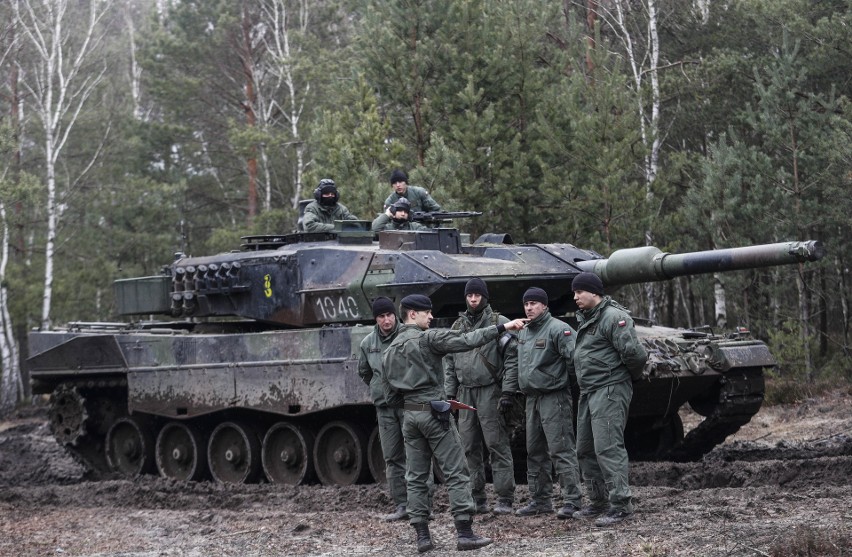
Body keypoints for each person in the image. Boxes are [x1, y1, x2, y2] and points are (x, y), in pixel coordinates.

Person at [382, 294, 527, 553]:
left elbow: (388, 392)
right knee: (457, 471)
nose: (431, 317)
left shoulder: (390, 348)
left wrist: (409, 406)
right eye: (426, 312)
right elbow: (467, 340)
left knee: (415, 476)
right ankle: (464, 533)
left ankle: (423, 537)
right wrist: (503, 326)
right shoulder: (429, 338)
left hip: (410, 416)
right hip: (434, 414)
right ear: (412, 314)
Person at [568, 272, 648, 527]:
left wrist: (625, 378)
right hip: (589, 390)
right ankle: (599, 501)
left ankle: (621, 504)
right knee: (585, 448)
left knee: (608, 447)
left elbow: (635, 355)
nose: (575, 296)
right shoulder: (587, 319)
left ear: (595, 292)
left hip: (609, 389)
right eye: (574, 292)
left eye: (580, 291)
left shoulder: (614, 317)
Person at [503, 287, 582, 519]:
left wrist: (563, 383)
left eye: (534, 303)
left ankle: (572, 500)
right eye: (526, 304)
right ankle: (540, 500)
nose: (529, 308)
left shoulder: (558, 329)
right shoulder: (524, 332)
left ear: (545, 306)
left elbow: (575, 360)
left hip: (554, 397)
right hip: (532, 399)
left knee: (561, 448)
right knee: (534, 451)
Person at [444, 278, 517, 516]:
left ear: (484, 297)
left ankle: (505, 497)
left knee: (496, 444)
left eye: (477, 295)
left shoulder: (500, 324)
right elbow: (449, 364)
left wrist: (508, 391)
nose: (473, 299)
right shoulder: (457, 328)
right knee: (468, 447)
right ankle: (477, 497)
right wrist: (449, 394)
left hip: (490, 391)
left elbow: (512, 359)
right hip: (465, 392)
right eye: (469, 295)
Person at [357, 297, 409, 522]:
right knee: (393, 457)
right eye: (381, 316)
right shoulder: (368, 343)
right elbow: (365, 372)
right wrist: (380, 388)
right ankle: (402, 505)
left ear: (395, 315)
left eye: (389, 315)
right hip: (385, 408)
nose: (386, 320)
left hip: (409, 403)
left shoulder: (408, 334)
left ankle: (422, 506)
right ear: (376, 319)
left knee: (417, 456)